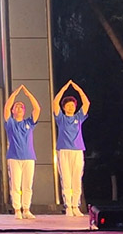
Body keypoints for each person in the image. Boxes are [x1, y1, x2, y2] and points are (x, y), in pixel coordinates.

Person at [52, 79, 90, 217]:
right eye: (67, 105)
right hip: (63, 150)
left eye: (72, 105)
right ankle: (68, 206)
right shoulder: (61, 118)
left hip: (78, 150)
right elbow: (55, 102)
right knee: (66, 179)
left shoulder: (79, 117)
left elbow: (86, 103)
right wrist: (64, 88)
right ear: (64, 108)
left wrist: (78, 89)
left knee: (77, 178)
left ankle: (76, 205)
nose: (70, 107)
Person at [4, 84, 40, 219]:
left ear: (24, 111)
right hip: (14, 157)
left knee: (27, 185)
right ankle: (17, 209)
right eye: (16, 107)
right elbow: (6, 107)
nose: (19, 108)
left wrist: (28, 94)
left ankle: (26, 209)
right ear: (13, 111)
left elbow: (37, 109)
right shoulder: (10, 123)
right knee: (15, 184)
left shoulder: (29, 123)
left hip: (29, 157)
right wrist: (15, 94)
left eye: (21, 107)